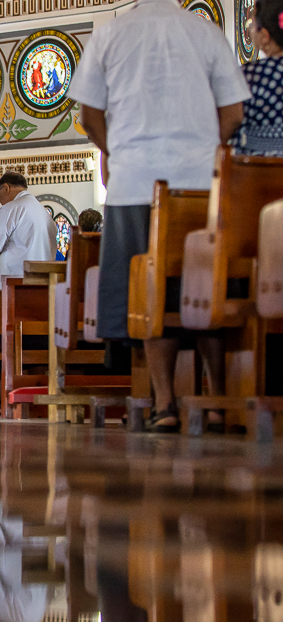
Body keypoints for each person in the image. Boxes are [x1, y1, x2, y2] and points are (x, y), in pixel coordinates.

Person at [67, 0, 250, 432]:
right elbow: (235, 112)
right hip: (201, 188)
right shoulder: (205, 31)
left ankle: (164, 403)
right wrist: (203, 149)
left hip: (135, 185)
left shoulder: (110, 34)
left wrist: (115, 150)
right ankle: (217, 400)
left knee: (146, 289)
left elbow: (90, 115)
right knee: (209, 285)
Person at [0, 172, 57, 289]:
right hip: (44, 286)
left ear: (6, 188)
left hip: (15, 287)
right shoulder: (44, 213)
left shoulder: (10, 208)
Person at [229, 0, 283, 156]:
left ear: (265, 36)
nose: (250, 29)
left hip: (254, 172)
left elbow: (232, 119)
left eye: (251, 24)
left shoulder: (249, 75)